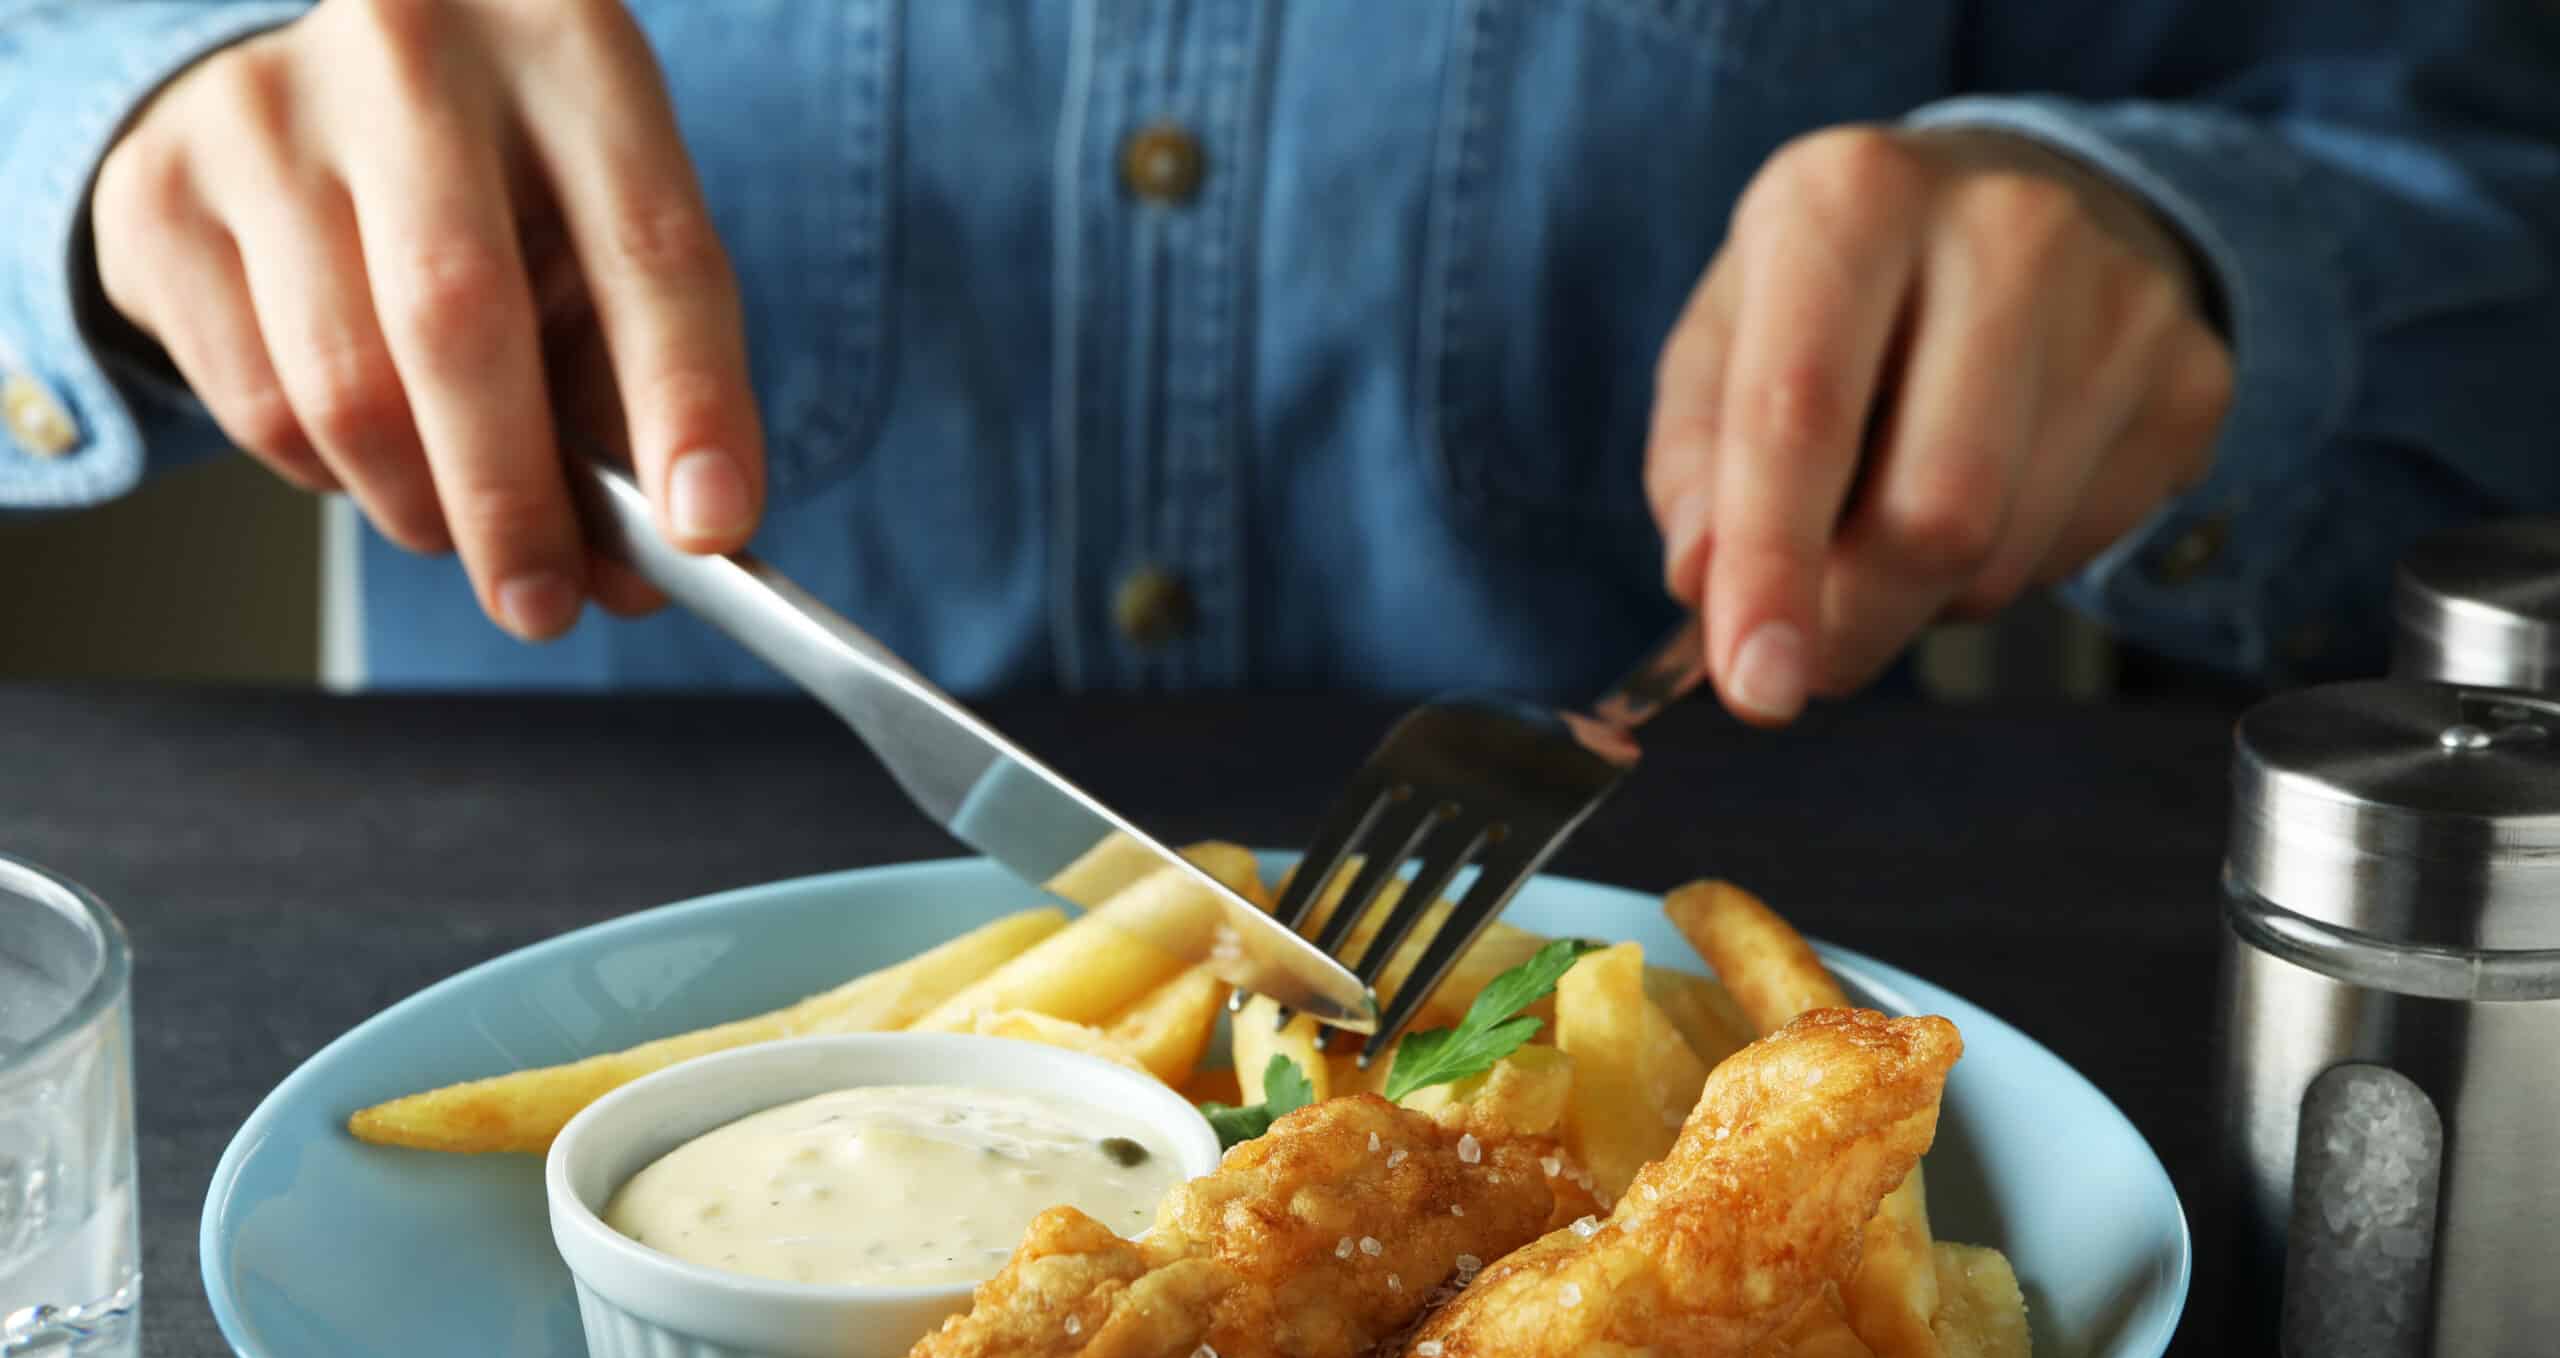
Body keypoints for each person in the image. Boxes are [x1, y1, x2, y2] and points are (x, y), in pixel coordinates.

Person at [2, 2, 2554, 722]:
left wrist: (2192, 253)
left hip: (1778, 945)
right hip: (474, 1030)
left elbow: (2473, 193)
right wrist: (112, 116)